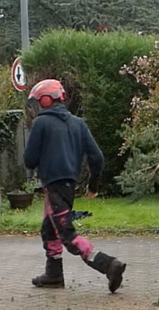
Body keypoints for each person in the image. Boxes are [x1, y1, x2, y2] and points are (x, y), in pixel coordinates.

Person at [24, 78, 126, 293]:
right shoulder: (78, 124)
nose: (37, 107)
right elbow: (97, 157)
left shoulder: (41, 123)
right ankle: (53, 275)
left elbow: (29, 160)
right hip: (69, 186)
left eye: (38, 102)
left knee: (67, 236)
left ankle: (108, 265)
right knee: (49, 230)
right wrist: (93, 185)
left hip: (53, 187)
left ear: (45, 100)